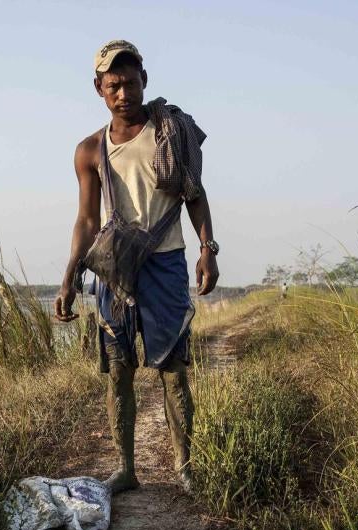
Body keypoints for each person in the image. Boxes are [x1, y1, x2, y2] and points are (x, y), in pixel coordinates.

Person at [54, 40, 219, 494]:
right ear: (99, 89)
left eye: (130, 83)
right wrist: (70, 275)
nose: (123, 93)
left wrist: (208, 248)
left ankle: (184, 466)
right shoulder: (89, 150)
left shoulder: (170, 131)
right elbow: (87, 220)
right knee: (118, 369)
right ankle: (126, 469)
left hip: (166, 263)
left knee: (174, 370)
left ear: (144, 81)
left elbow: (195, 194)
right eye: (113, 86)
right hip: (114, 269)